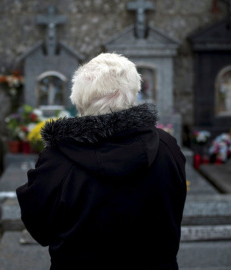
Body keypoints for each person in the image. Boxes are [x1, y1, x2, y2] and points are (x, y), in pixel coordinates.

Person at [16, 53, 187, 270]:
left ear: (78, 98)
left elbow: (40, 228)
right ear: (134, 92)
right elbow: (174, 207)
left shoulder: (57, 160)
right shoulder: (166, 146)